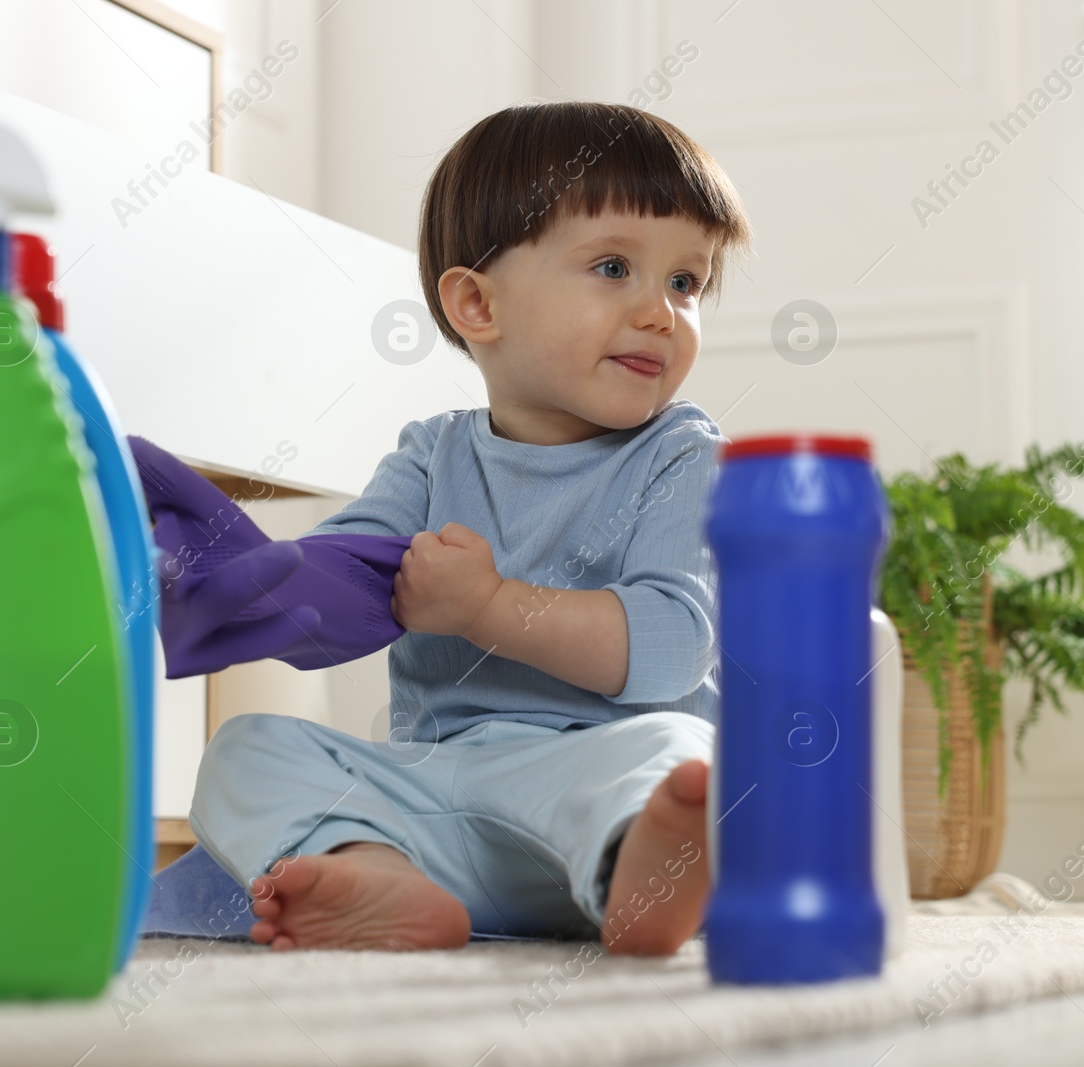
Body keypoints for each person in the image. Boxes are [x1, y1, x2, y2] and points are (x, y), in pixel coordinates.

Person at [189, 99, 754, 956]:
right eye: (613, 267)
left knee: (677, 750)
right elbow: (348, 573)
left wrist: (489, 607)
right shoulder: (431, 455)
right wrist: (240, 578)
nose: (660, 312)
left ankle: (643, 873)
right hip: (440, 801)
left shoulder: (684, 457)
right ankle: (374, 873)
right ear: (477, 305)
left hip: (587, 783)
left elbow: (673, 649)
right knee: (247, 746)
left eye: (686, 281)